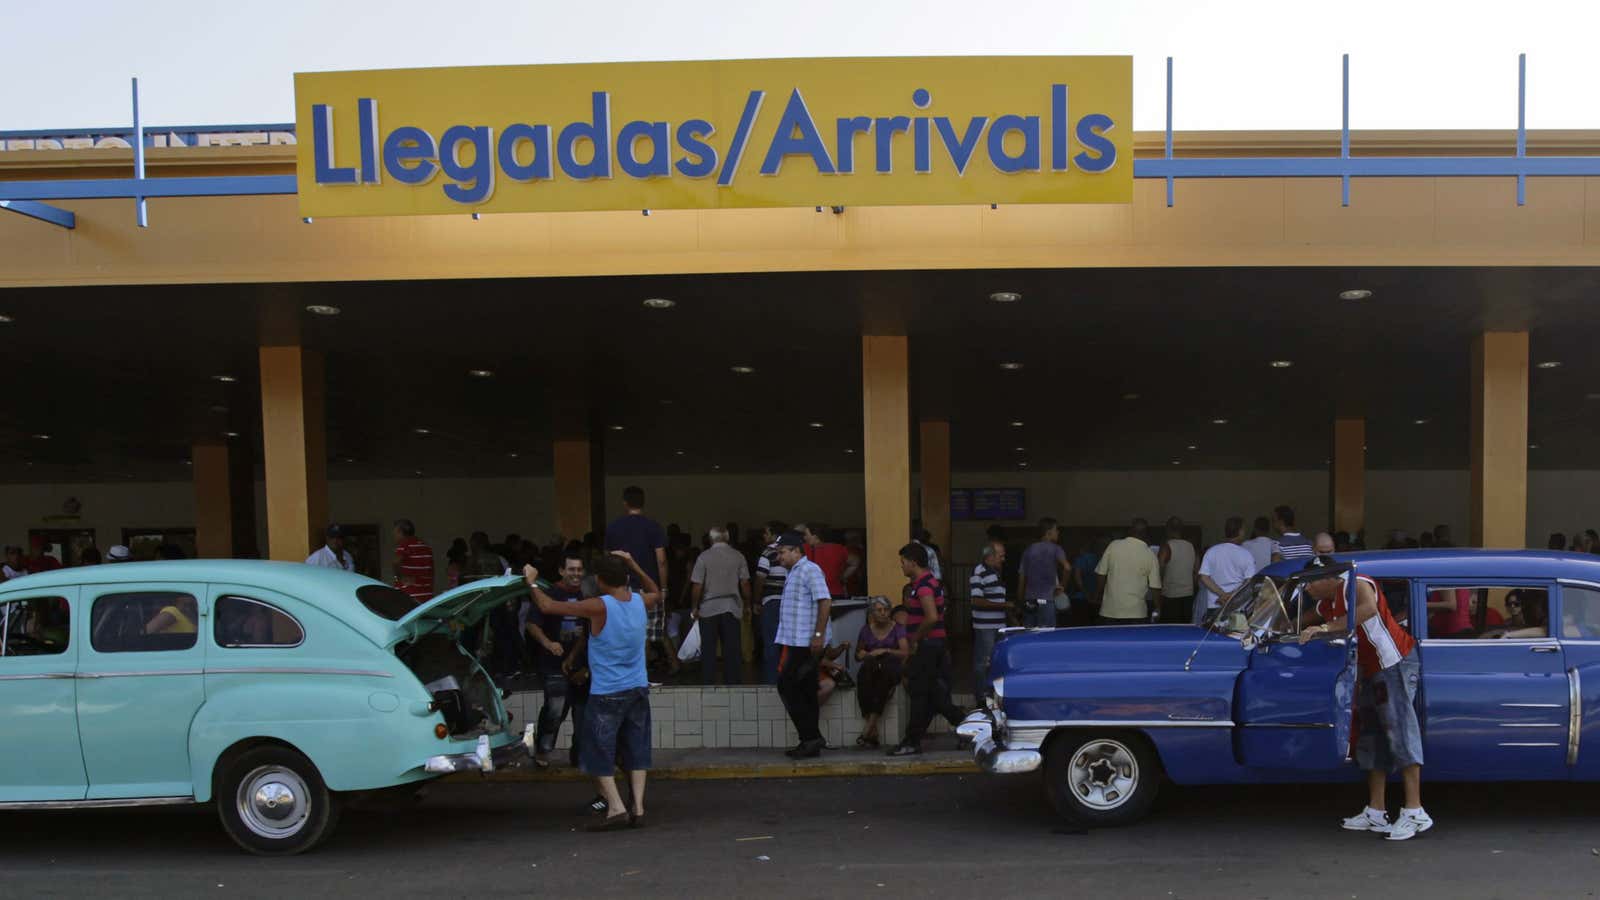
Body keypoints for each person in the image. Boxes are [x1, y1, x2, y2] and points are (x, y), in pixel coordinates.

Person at [1297, 557, 1431, 840]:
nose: (1307, 588)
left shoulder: (1355, 583)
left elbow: (1368, 609)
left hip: (1393, 663)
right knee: (1372, 736)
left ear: (1328, 577)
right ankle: (1376, 810)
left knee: (1400, 730)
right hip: (1369, 670)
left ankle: (1415, 811)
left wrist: (1323, 629)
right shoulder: (1329, 602)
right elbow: (1304, 618)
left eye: (1310, 581)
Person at [526, 550, 657, 832]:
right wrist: (634, 563)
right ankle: (639, 807)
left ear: (599, 580)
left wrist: (532, 582)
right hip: (638, 688)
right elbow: (656, 591)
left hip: (608, 691)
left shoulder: (599, 606)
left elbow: (548, 607)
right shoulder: (639, 601)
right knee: (636, 748)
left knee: (595, 749)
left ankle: (616, 807)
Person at [888, 542, 964, 757]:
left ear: (913, 562)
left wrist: (914, 639)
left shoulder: (922, 585)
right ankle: (969, 729)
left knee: (921, 693)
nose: (901, 567)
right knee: (934, 695)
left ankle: (912, 742)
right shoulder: (931, 581)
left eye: (903, 562)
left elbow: (930, 617)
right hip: (934, 644)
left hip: (927, 646)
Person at [773, 531, 832, 758]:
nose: (779, 558)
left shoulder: (810, 570)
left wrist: (818, 634)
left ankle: (810, 737)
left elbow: (825, 601)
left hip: (805, 643)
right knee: (807, 689)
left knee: (786, 686)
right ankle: (811, 740)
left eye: (782, 553)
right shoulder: (794, 572)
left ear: (797, 551)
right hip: (795, 640)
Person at [605, 486, 675, 676]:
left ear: (625, 503)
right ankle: (646, 670)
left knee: (625, 632)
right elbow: (661, 560)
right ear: (643, 502)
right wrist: (664, 588)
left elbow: (608, 561)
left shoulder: (613, 528)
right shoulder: (654, 527)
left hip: (622, 588)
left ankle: (628, 672)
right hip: (649, 587)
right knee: (648, 631)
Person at [528, 552, 587, 768]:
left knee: (583, 715)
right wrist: (548, 643)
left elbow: (588, 632)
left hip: (581, 666)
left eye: (579, 569)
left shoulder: (587, 594)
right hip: (552, 665)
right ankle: (542, 751)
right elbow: (532, 624)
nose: (576, 574)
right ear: (562, 571)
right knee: (555, 710)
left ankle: (579, 756)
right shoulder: (549, 593)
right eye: (571, 569)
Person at [690, 525, 751, 685]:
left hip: (708, 609)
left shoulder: (703, 557)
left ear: (711, 539)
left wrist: (694, 606)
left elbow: (697, 586)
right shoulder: (738, 556)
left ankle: (708, 683)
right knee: (732, 650)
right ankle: (733, 684)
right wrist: (747, 604)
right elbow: (745, 584)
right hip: (732, 607)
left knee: (708, 650)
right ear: (728, 538)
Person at [854, 596, 908, 748]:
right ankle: (873, 730)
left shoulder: (897, 628)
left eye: (886, 610)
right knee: (863, 678)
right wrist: (863, 654)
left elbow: (905, 652)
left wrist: (885, 650)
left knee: (882, 681)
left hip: (891, 668)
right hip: (871, 668)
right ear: (872, 613)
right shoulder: (866, 630)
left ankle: (867, 731)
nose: (883, 613)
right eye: (879, 610)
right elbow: (857, 655)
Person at [1094, 519, 1162, 625]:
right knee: (1135, 641)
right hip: (1137, 613)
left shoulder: (1113, 545)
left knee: (1110, 641)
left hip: (1110, 610)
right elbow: (1155, 587)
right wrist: (1158, 607)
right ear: (1146, 534)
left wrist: (1098, 594)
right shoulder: (1150, 555)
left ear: (1130, 530)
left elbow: (1101, 574)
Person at [1196, 517, 1257, 624]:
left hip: (1215, 605)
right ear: (1240, 532)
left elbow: (1204, 577)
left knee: (1213, 638)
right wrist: (1231, 596)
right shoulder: (1246, 554)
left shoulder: (1212, 551)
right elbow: (1249, 581)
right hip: (1237, 607)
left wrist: (1222, 595)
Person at [753, 521, 790, 685]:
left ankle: (772, 681)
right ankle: (788, 679)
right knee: (790, 643)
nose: (764, 536)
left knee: (771, 643)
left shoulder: (768, 552)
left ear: (774, 534)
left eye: (766, 532)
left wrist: (756, 600)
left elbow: (760, 578)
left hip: (772, 602)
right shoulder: (793, 551)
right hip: (790, 603)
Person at [968, 540, 1008, 690]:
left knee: (995, 662)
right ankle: (981, 698)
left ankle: (991, 696)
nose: (1003, 559)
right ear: (990, 557)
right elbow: (976, 600)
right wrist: (1005, 605)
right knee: (984, 663)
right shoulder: (979, 571)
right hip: (986, 628)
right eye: (1001, 556)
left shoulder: (994, 572)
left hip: (997, 626)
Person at [1018, 518, 1070, 628]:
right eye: (1056, 530)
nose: (1058, 532)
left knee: (1029, 636)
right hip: (1047, 600)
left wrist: (1020, 601)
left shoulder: (1029, 550)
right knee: (1047, 637)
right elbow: (1067, 568)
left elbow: (1022, 578)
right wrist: (1062, 587)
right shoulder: (1056, 549)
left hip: (1030, 600)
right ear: (1049, 532)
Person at [1156, 518, 1198, 624]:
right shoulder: (1191, 546)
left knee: (1169, 630)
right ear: (1181, 530)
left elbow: (1159, 571)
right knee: (1184, 629)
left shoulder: (1166, 546)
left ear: (1168, 530)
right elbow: (1196, 571)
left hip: (1170, 595)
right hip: (1188, 595)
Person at [392, 519, 435, 604]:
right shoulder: (425, 546)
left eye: (395, 532)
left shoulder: (404, 544)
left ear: (401, 532)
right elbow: (432, 570)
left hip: (408, 596)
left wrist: (398, 578)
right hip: (425, 595)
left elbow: (396, 562)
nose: (394, 535)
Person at [801, 523, 849, 597]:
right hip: (836, 592)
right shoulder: (839, 549)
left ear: (815, 537)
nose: (804, 538)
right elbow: (855, 562)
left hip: (813, 594)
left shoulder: (805, 549)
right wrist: (842, 577)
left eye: (806, 535)